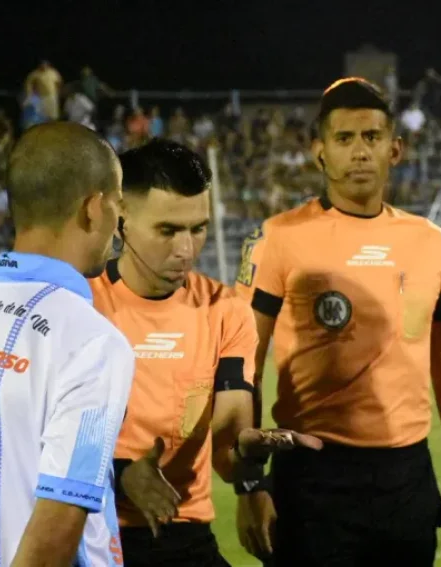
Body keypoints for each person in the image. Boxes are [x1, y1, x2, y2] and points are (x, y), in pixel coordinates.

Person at [234, 77, 441, 566]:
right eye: (344, 138)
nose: (359, 152)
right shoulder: (278, 238)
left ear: (395, 149)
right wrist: (250, 480)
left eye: (371, 137)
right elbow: (244, 364)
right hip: (311, 477)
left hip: (407, 477)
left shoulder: (431, 243)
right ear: (319, 151)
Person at [91, 139, 320, 567]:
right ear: (121, 219)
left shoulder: (225, 310)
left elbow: (229, 447)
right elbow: (26, 442)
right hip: (91, 535)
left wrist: (247, 454)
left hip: (183, 533)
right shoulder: (78, 304)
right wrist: (119, 475)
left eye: (197, 229)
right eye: (167, 230)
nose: (186, 250)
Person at [0, 122, 134, 566]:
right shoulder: (92, 344)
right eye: (118, 205)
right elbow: (56, 529)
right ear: (93, 208)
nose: (119, 224)